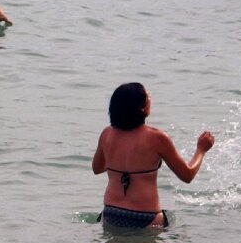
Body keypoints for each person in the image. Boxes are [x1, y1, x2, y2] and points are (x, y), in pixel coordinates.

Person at [92, 83, 215, 229]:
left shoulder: (107, 134)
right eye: (148, 97)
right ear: (142, 107)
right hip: (146, 218)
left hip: (111, 214)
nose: (150, 99)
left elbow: (97, 168)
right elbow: (187, 175)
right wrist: (201, 149)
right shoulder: (157, 138)